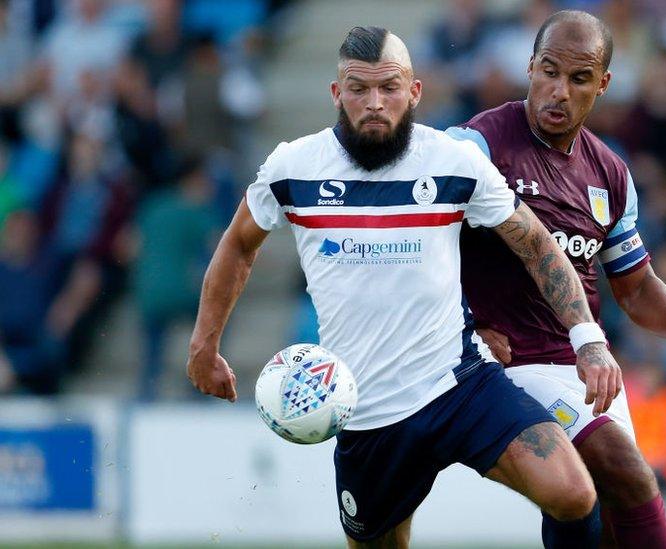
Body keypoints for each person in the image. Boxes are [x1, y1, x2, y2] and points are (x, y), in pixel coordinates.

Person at [186, 26, 622, 549]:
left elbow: (537, 244)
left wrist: (588, 338)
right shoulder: (293, 168)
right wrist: (204, 346)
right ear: (336, 93)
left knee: (573, 493)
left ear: (414, 92)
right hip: (366, 413)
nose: (374, 103)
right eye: (358, 88)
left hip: (460, 386)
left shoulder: (454, 163)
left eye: (389, 88)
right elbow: (238, 244)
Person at [448, 11, 666, 548]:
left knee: (601, 522)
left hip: (586, 364)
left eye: (579, 79)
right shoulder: (477, 146)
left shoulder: (611, 173)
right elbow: (424, 248)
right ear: (529, 66)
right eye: (549, 71)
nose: (559, 91)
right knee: (627, 470)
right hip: (509, 366)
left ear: (604, 84)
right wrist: (464, 325)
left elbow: (634, 286)